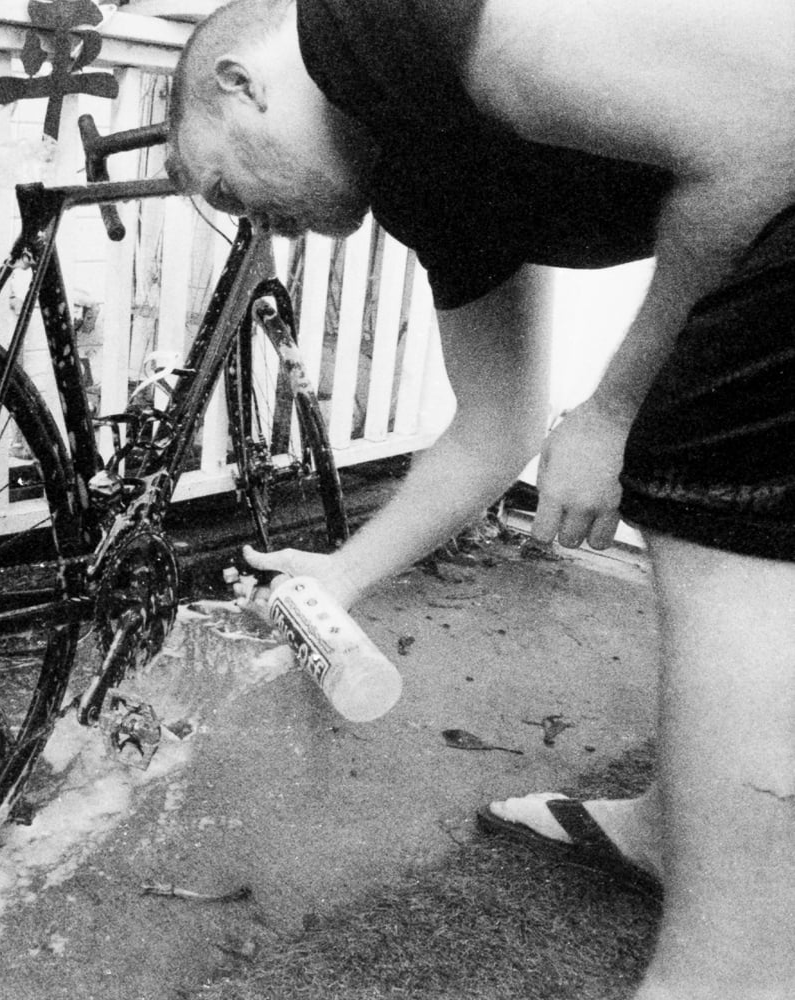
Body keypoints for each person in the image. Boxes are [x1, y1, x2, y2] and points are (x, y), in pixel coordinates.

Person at [165, 1, 795, 997]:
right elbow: (495, 427)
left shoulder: (376, 25)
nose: (252, 223)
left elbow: (772, 124)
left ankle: (736, 975)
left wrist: (614, 410)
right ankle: (676, 826)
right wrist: (341, 571)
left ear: (240, 82)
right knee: (697, 463)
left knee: (705, 478)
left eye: (222, 186)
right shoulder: (419, 179)